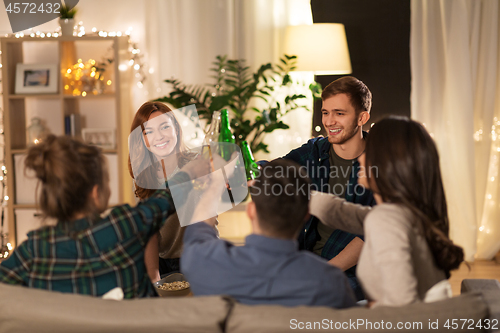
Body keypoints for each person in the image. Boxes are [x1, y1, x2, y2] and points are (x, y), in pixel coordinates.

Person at [0, 135, 208, 298]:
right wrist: (190, 172)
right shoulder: (124, 225)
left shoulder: (33, 251)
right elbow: (165, 199)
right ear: (95, 192)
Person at [309, 116, 464, 307]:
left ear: (387, 163)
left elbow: (400, 306)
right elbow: (344, 213)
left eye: (369, 151)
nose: (361, 157)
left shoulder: (386, 221)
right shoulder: (406, 213)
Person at [181, 159, 357, 308]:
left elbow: (197, 230)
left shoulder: (206, 263)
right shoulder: (331, 284)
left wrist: (217, 183)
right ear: (306, 215)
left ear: (250, 211)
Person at [282, 76, 375, 300]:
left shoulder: (380, 161)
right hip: (305, 262)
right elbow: (275, 170)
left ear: (362, 117)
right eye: (325, 112)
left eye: (339, 113)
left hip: (354, 272)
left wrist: (319, 275)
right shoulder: (315, 151)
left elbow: (370, 235)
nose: (329, 121)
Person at [128, 102, 197, 282]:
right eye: (148, 131)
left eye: (164, 127)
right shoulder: (142, 178)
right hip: (162, 262)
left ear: (176, 128)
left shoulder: (198, 164)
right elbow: (149, 232)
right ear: (141, 139)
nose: (159, 136)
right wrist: (153, 275)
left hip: (199, 257)